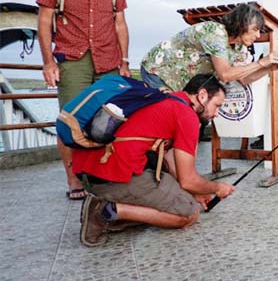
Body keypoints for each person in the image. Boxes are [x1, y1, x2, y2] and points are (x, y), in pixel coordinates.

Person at [73, 74, 235, 247]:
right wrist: (217, 188)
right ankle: (104, 211)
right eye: (217, 105)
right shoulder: (187, 115)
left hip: (88, 173)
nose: (216, 113)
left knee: (181, 198)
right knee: (189, 213)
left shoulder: (166, 99)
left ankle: (113, 208)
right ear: (202, 95)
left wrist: (195, 191)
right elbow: (188, 180)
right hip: (112, 177)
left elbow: (172, 164)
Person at [37, 0, 131, 201]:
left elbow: (120, 24)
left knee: (111, 118)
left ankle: (104, 174)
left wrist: (124, 61)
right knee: (70, 120)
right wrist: (47, 62)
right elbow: (44, 21)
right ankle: (73, 179)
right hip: (73, 58)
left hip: (109, 59)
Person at [140, 3, 278, 91]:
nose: (258, 35)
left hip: (177, 81)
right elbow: (225, 74)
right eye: (255, 29)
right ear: (241, 24)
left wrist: (268, 68)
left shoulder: (239, 48)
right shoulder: (214, 32)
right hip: (158, 71)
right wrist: (262, 62)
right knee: (171, 118)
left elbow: (243, 79)